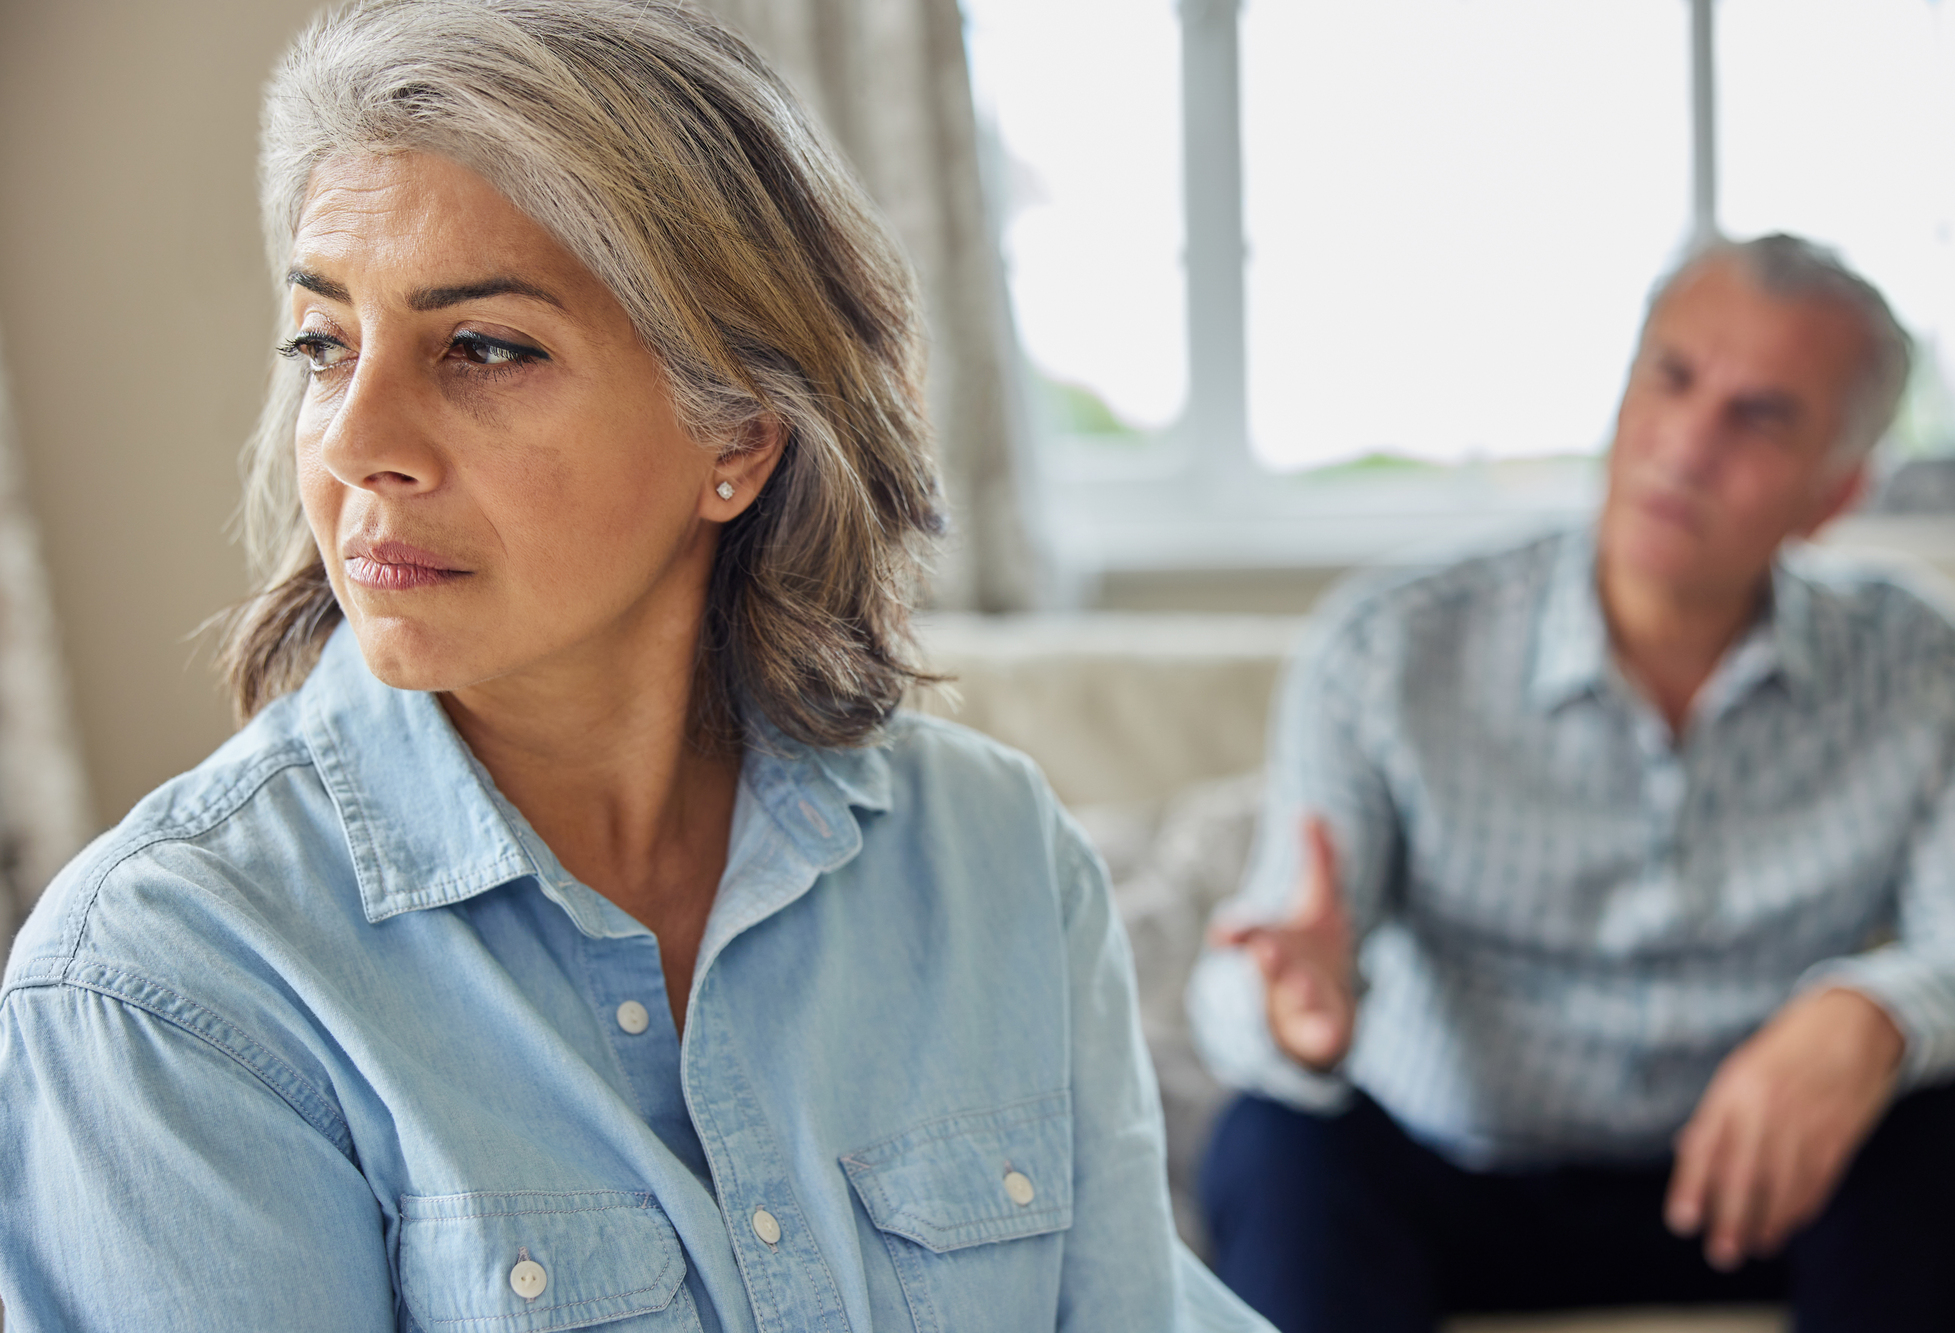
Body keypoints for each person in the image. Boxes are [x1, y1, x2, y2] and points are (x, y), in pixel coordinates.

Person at [0, 3, 1268, 1330]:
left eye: (484, 347)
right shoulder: (172, 984)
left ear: (741, 436)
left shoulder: (996, 855)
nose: (357, 439)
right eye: (324, 342)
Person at [1189, 234, 1955, 1332]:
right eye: (1669, 377)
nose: (1687, 443)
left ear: (1834, 491)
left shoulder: (1908, 664)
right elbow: (1264, 963)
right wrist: (1295, 1010)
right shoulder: (1387, 649)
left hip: (1759, 1184)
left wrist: (1868, 1010)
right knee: (1272, 1140)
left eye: (1759, 416)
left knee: (1944, 1129)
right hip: (1448, 1169)